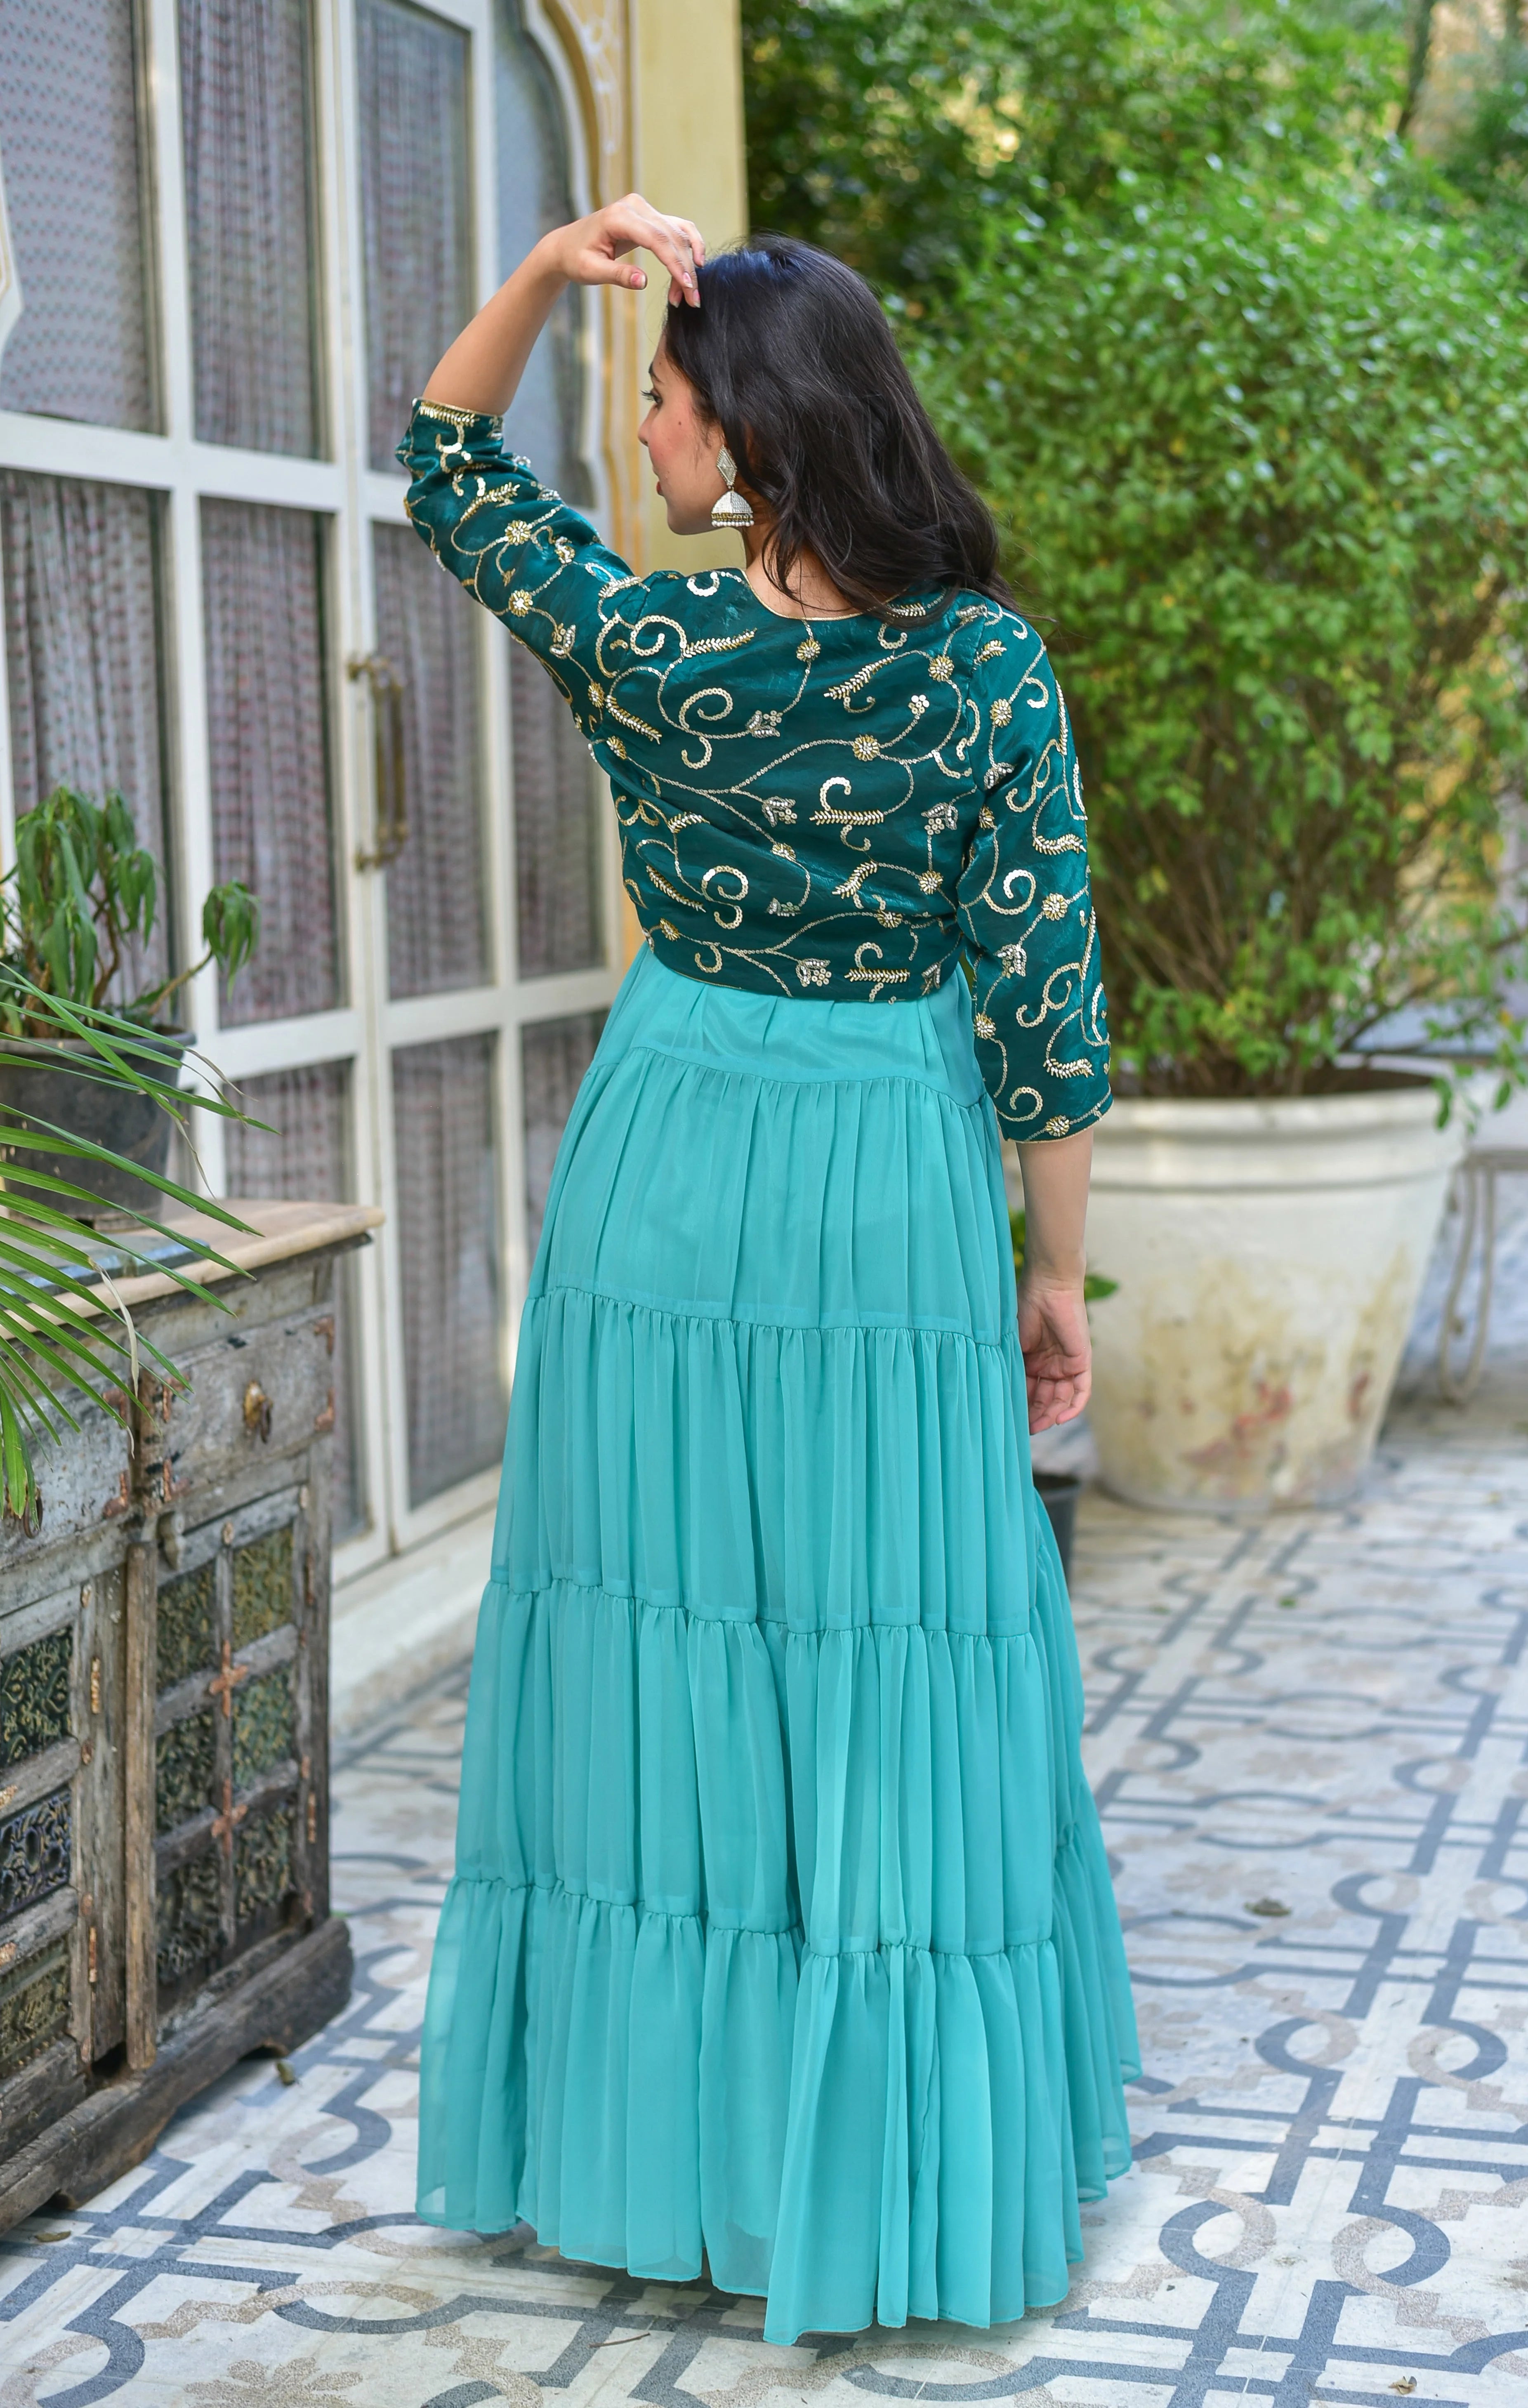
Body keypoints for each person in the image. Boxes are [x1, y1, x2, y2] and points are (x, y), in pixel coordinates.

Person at [402, 195, 1137, 2346]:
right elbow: (1047, 1011)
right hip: (882, 1175)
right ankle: (882, 2166)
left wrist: (546, 268)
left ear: (755, 433)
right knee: (884, 1640)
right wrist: (1060, 1271)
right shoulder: (985, 668)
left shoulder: (655, 648)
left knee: (673, 1647)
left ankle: (678, 2162)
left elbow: (442, 466)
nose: (637, 433)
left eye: (657, 393)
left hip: (666, 1180)